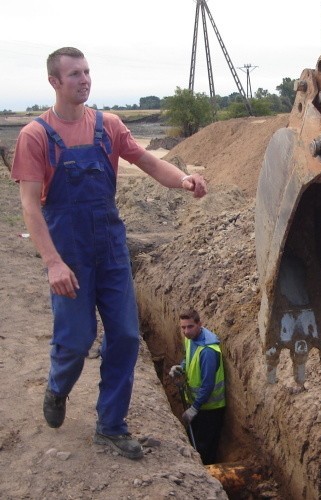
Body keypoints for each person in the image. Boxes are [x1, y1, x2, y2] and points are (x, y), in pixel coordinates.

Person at [10, 47, 207, 460]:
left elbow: (150, 164)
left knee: (125, 337)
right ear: (55, 82)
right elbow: (30, 205)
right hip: (70, 254)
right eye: (74, 74)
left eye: (87, 72)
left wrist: (184, 181)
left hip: (111, 250)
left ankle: (110, 425)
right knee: (78, 338)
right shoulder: (35, 136)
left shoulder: (109, 126)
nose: (84, 80)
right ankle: (57, 387)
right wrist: (52, 262)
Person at [169, 309, 225, 465]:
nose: (186, 331)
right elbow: (189, 358)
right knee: (193, 442)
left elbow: (208, 385)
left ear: (200, 325)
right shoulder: (191, 338)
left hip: (210, 409)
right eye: (183, 327)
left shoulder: (208, 351)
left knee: (204, 448)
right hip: (199, 405)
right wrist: (181, 367)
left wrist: (195, 408)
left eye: (190, 327)